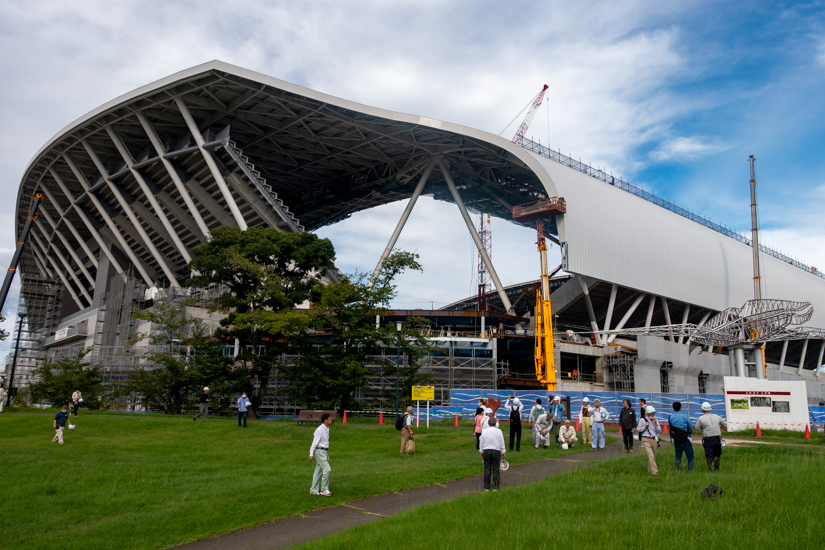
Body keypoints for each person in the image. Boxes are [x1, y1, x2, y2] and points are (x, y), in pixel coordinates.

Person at [695, 401, 726, 471]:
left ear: (702, 410)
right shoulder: (717, 417)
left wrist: (703, 427)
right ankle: (717, 467)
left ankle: (711, 469)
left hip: (708, 439)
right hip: (717, 438)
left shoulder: (701, 418)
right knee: (717, 454)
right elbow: (724, 424)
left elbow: (697, 428)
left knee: (709, 455)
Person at [309, 413, 333, 496]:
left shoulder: (327, 429)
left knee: (318, 472)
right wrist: (311, 454)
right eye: (329, 419)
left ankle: (313, 490)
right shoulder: (319, 430)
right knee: (327, 469)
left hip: (324, 452)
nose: (331, 420)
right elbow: (314, 443)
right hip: (319, 452)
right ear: (325, 420)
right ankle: (324, 490)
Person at [479, 417, 506, 491]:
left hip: (486, 450)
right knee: (496, 469)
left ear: (488, 423)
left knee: (487, 469)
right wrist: (503, 451)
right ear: (495, 423)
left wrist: (481, 451)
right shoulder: (499, 431)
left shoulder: (484, 431)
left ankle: (487, 486)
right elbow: (502, 442)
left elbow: (481, 442)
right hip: (496, 451)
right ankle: (496, 486)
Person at [668, 402, 694, 472]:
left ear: (673, 408)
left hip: (676, 439)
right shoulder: (684, 416)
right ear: (680, 408)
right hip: (685, 438)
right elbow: (690, 426)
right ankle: (690, 471)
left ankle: (679, 470)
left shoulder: (671, 417)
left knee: (678, 456)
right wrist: (690, 433)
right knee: (690, 455)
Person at [637, 406, 661, 476]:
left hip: (653, 439)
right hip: (646, 438)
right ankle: (655, 472)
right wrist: (645, 426)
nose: (653, 415)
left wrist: (656, 423)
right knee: (651, 456)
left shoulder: (655, 420)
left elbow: (659, 431)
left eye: (653, 413)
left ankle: (650, 470)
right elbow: (638, 430)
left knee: (653, 456)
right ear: (647, 413)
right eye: (651, 413)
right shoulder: (642, 420)